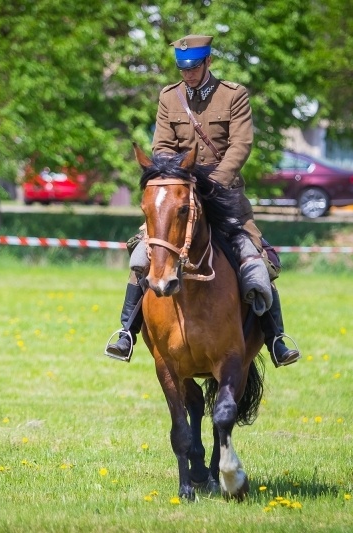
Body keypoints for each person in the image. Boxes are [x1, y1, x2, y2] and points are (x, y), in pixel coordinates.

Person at [104, 34, 300, 368]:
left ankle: (276, 338)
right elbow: (163, 146)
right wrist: (175, 178)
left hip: (225, 196)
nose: (188, 74)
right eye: (183, 68)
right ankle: (126, 332)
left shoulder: (233, 95)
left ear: (208, 62)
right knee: (142, 254)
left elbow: (240, 145)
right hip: (180, 194)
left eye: (193, 67)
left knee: (254, 259)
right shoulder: (169, 97)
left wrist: (214, 184)